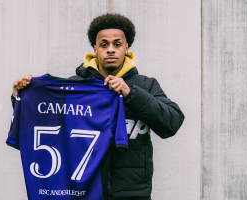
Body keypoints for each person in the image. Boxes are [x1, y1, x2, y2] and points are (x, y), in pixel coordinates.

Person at [11, 13, 184, 200]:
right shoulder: (74, 87)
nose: (110, 50)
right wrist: (20, 98)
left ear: (126, 47)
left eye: (117, 44)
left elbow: (172, 123)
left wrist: (131, 94)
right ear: (95, 49)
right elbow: (42, 124)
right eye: (104, 44)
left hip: (132, 195)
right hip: (82, 192)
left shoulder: (145, 86)